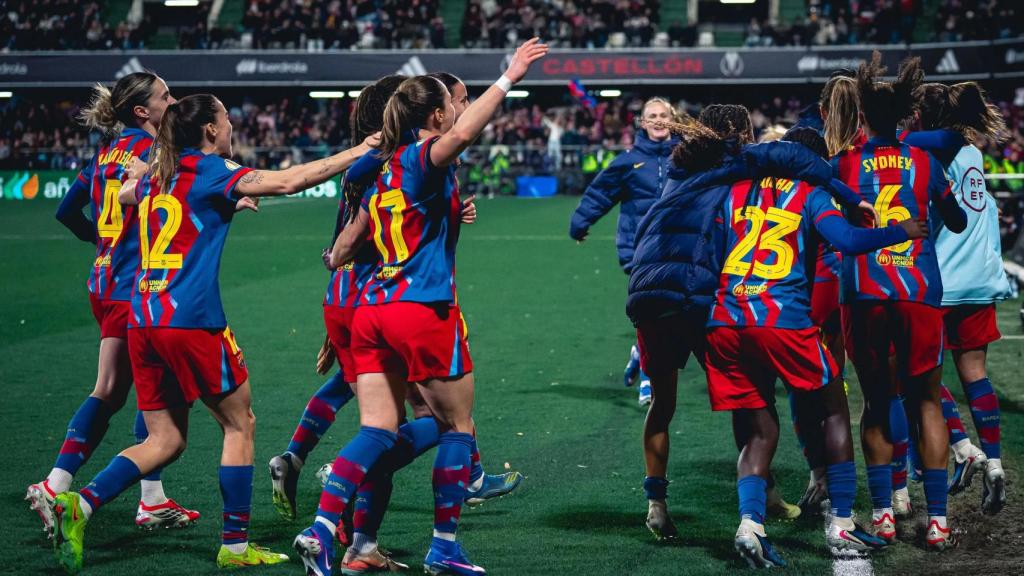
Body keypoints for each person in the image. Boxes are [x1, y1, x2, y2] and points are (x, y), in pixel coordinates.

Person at [50, 93, 380, 574]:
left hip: (142, 317)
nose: (231, 124)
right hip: (192, 321)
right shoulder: (211, 169)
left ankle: (79, 506)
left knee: (164, 439)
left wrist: (200, 196)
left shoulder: (160, 173)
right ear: (209, 130)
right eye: (226, 118)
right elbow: (291, 180)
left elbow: (123, 195)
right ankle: (234, 545)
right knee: (238, 422)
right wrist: (360, 150)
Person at [294, 39, 548, 576]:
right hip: (422, 307)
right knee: (456, 426)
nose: (459, 107)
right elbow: (461, 134)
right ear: (434, 115)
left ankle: (326, 529)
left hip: (371, 312)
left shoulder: (380, 170)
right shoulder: (420, 155)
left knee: (377, 429)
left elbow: (340, 250)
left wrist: (441, 218)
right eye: (452, 103)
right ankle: (444, 547)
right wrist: (510, 76)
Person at [627, 105, 876, 543]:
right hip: (696, 294)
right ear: (741, 135)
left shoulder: (678, 167)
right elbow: (798, 160)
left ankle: (656, 505)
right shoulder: (738, 171)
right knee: (752, 399)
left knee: (661, 405)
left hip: (648, 293)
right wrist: (848, 194)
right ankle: (769, 498)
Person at [31, 72, 199, 537]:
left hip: (103, 282)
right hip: (134, 289)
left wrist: (100, 242)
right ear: (143, 111)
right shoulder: (154, 154)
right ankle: (129, 497)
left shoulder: (107, 152)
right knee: (152, 392)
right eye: (166, 96)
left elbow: (67, 210)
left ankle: (70, 483)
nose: (175, 99)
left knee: (114, 389)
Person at [833, 53, 967, 550]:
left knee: (876, 401)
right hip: (917, 291)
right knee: (927, 400)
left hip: (864, 291)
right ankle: (937, 522)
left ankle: (885, 513)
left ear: (863, 117)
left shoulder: (843, 162)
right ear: (908, 117)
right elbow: (955, 221)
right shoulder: (925, 161)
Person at [908, 81, 1011, 513]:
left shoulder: (930, 151)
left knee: (919, 379)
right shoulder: (971, 153)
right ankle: (996, 463)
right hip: (979, 280)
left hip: (943, 282)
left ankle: (964, 446)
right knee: (975, 373)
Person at [569, 97, 681, 406]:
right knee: (652, 314)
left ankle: (638, 354)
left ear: (672, 119)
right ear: (643, 123)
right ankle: (648, 376)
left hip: (679, 251)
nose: (658, 120)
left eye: (663, 115)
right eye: (652, 116)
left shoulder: (687, 156)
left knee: (675, 319)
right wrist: (581, 223)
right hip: (640, 251)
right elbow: (601, 193)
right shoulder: (629, 160)